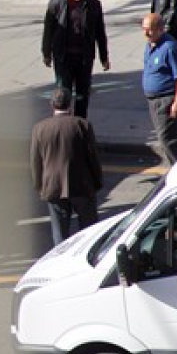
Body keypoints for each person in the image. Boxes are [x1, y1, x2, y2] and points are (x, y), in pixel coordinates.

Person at [31, 87, 103, 245]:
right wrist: (97, 182)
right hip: (81, 186)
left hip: (53, 187)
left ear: (52, 105)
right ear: (70, 105)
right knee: (89, 233)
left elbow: (36, 162)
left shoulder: (40, 129)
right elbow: (92, 157)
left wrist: (40, 186)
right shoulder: (82, 125)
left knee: (60, 235)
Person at [42, 0, 110, 119]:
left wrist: (104, 57)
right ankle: (62, 123)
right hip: (63, 57)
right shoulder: (57, 3)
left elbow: (100, 32)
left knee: (82, 94)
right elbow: (48, 29)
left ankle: (80, 123)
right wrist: (46, 53)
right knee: (63, 93)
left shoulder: (93, 5)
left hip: (84, 58)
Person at [142, 13, 177, 164]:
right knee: (167, 140)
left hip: (168, 100)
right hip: (154, 101)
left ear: (161, 29)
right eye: (144, 29)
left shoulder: (170, 48)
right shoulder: (150, 45)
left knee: (169, 140)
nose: (146, 33)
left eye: (150, 30)